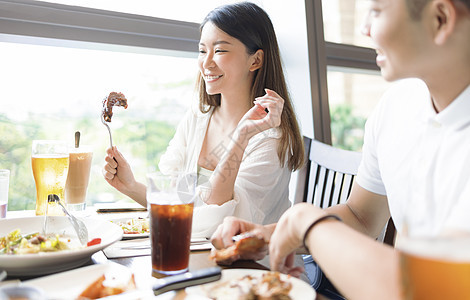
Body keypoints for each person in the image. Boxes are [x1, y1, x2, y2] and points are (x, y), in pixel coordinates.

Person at [211, 0, 470, 299]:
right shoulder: (395, 106)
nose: (365, 29)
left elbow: (439, 289)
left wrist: (307, 223)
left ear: (440, 18)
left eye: (377, 11)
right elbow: (360, 215)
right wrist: (271, 233)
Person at [102, 2, 304, 238]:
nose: (206, 63)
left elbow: (218, 225)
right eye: (202, 50)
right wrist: (131, 186)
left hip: (251, 267)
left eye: (219, 51)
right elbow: (177, 206)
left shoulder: (271, 138)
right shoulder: (198, 118)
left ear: (255, 60)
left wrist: (241, 136)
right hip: (195, 252)